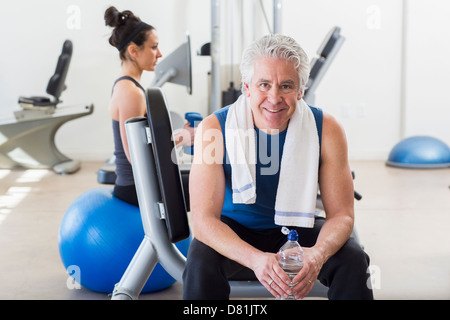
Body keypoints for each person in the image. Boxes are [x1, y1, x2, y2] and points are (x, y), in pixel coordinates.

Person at [182, 34, 374, 300]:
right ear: (247, 87)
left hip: (299, 226)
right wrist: (257, 259)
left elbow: (342, 215)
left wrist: (316, 255)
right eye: (264, 84)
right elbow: (203, 222)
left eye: (286, 86)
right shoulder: (214, 129)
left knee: (352, 258)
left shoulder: (327, 130)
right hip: (236, 229)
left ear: (300, 90)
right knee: (201, 259)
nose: (274, 98)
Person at [104, 7, 194, 206]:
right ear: (134, 51)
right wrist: (182, 138)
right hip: (136, 189)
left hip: (143, 183)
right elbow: (137, 157)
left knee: (207, 175)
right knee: (216, 185)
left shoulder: (128, 86)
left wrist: (180, 133)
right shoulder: (130, 93)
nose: (159, 54)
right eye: (153, 47)